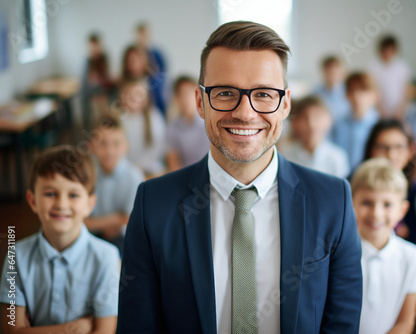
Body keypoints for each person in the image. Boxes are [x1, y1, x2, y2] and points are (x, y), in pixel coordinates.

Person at [117, 21, 362, 333]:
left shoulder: (333, 202)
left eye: (262, 94)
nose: (245, 113)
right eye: (225, 93)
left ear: (285, 104)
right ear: (199, 102)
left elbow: (341, 326)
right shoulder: (153, 205)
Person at [0, 145, 120, 333]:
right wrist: (75, 329)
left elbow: (104, 331)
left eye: (73, 195)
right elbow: (10, 331)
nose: (61, 204)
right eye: (50, 194)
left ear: (90, 204)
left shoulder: (107, 257)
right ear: (32, 201)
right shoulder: (16, 257)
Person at [351, 158, 416, 334]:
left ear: (402, 210)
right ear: (351, 204)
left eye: (387, 204)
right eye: (366, 203)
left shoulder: (413, 256)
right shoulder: (338, 254)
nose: (376, 214)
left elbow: (405, 322)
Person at [361, 119, 416, 264]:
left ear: (411, 150)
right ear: (371, 150)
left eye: (399, 147)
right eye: (383, 147)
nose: (391, 155)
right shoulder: (354, 186)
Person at [85, 115, 144, 253]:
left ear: (126, 146)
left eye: (116, 144)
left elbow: (131, 221)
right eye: (102, 143)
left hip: (125, 239)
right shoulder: (87, 175)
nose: (109, 151)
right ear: (91, 145)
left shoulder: (134, 177)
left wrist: (98, 223)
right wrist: (117, 218)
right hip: (92, 237)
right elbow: (81, 221)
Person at [281, 95, 349, 178]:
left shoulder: (336, 157)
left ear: (328, 120)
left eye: (317, 117)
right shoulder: (285, 156)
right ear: (295, 123)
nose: (311, 125)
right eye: (305, 118)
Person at [117, 79, 167, 175]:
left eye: (137, 95)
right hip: (125, 169)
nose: (131, 98)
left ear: (145, 99)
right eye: (127, 94)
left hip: (151, 168)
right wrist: (131, 168)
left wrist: (141, 167)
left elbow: (159, 146)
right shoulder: (118, 119)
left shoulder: (154, 117)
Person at [331, 71, 379, 172]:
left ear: (374, 95)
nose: (357, 96)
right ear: (346, 95)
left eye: (363, 90)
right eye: (352, 91)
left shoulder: (379, 125)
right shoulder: (338, 124)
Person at [165, 76, 210, 171]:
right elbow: (173, 163)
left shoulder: (209, 123)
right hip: (186, 178)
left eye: (190, 94)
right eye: (182, 94)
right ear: (176, 98)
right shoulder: (172, 128)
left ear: (199, 97)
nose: (186, 99)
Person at [369, 35, 411, 119]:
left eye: (390, 49)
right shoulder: (373, 66)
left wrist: (401, 109)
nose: (388, 52)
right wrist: (379, 109)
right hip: (379, 111)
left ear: (395, 50)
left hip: (399, 111)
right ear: (380, 50)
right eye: (385, 49)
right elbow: (373, 89)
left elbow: (406, 90)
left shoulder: (402, 66)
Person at [135, 22, 170, 115]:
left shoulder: (156, 53)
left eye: (144, 35)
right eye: (140, 35)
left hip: (156, 92)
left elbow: (163, 73)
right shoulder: (135, 54)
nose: (142, 38)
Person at [81, 33, 113, 129]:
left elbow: (108, 81)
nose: (95, 50)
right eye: (92, 47)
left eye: (97, 46)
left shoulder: (104, 59)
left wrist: (102, 80)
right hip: (92, 99)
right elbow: (87, 86)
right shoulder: (87, 63)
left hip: (105, 98)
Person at [313, 55, 350, 123]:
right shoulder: (315, 92)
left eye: (336, 67)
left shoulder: (349, 90)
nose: (332, 71)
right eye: (329, 68)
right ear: (323, 71)